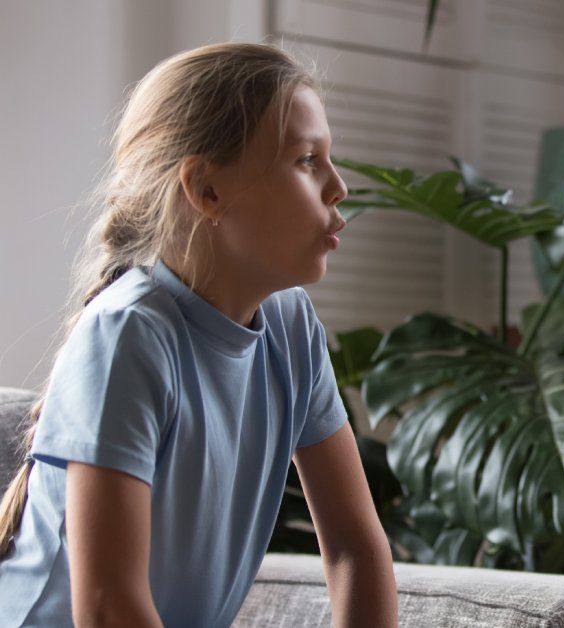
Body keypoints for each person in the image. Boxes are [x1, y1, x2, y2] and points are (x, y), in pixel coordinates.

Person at [0, 43, 397, 626]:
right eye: (307, 160)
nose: (338, 187)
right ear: (207, 190)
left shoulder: (291, 327)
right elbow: (109, 607)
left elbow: (356, 549)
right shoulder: (128, 335)